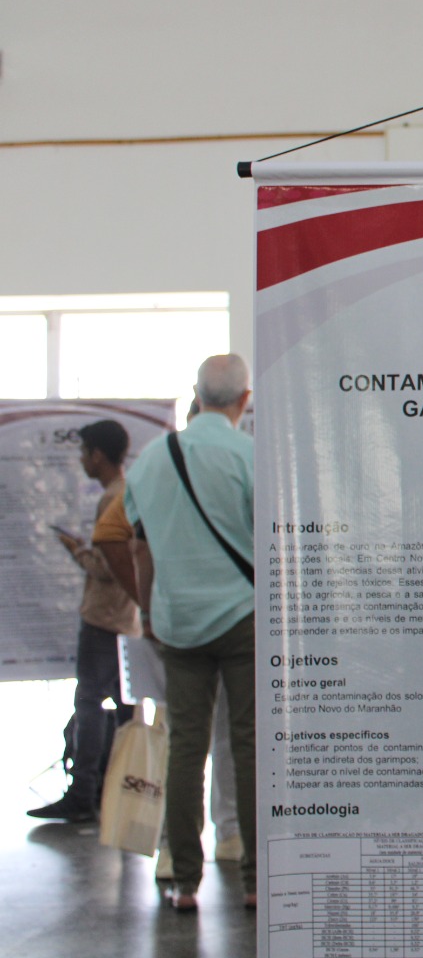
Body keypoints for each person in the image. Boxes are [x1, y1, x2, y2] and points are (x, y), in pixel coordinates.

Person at [124, 354, 256, 912]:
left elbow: (139, 546)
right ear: (245, 399)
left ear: (196, 395)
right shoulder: (249, 456)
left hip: (176, 621)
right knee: (248, 744)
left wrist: (149, 612)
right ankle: (255, 880)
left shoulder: (152, 460)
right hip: (243, 617)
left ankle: (182, 879)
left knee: (185, 746)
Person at [28, 420, 142, 823]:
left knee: (89, 701)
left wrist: (77, 551)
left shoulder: (112, 497)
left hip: (105, 617)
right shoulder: (128, 491)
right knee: (124, 707)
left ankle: (84, 793)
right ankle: (125, 789)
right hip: (126, 616)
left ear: (97, 455)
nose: (80, 460)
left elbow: (108, 564)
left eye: (83, 452)